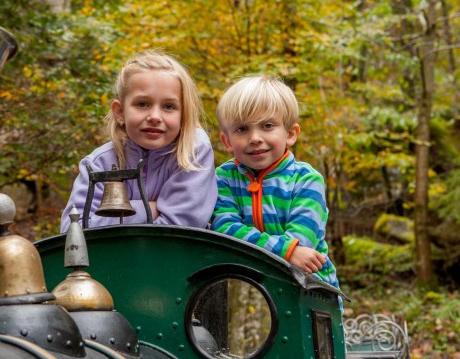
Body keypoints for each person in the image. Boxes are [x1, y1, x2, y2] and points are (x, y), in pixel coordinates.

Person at [61, 50, 217, 232]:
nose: (155, 116)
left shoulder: (193, 152)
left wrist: (119, 218)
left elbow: (181, 229)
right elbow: (72, 230)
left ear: (184, 115)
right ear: (119, 112)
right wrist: (151, 208)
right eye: (142, 104)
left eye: (169, 106)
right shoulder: (98, 164)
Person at [211, 75, 339, 288]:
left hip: (309, 286)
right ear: (227, 141)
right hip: (245, 282)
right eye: (242, 129)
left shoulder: (306, 180)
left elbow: (301, 241)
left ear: (290, 134)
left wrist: (292, 251)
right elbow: (225, 230)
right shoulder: (223, 178)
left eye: (267, 126)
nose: (255, 138)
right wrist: (288, 251)